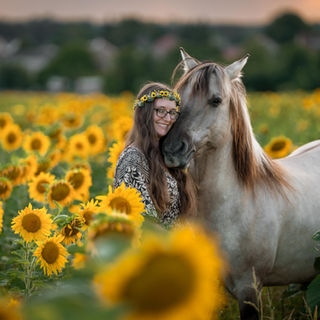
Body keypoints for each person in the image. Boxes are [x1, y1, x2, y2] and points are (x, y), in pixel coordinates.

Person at [113, 82, 197, 228]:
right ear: (144, 113)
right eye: (161, 110)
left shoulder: (165, 158)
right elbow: (143, 223)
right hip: (153, 247)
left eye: (172, 112)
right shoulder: (133, 158)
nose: (168, 118)